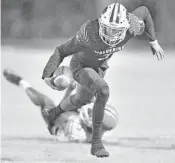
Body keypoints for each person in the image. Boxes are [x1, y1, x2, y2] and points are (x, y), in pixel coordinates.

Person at [42, 3, 164, 157]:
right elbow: (61, 50)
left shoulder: (132, 26)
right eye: (107, 28)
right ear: (100, 23)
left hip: (100, 66)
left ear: (125, 27)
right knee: (103, 91)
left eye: (116, 30)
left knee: (81, 99)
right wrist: (47, 74)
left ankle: (53, 113)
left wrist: (153, 41)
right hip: (80, 66)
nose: (111, 34)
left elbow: (145, 11)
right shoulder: (88, 33)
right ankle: (96, 143)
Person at [3, 69, 118, 143]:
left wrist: (69, 90)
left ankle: (21, 82)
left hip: (57, 122)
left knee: (46, 102)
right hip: (72, 121)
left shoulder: (76, 131)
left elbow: (60, 111)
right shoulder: (105, 131)